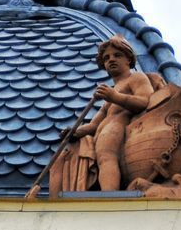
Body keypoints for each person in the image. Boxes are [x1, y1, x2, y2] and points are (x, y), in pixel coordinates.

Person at [54, 35, 154, 192]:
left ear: (128, 59)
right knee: (93, 157)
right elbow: (95, 123)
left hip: (118, 126)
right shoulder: (111, 91)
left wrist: (115, 97)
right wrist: (76, 131)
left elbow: (145, 101)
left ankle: (109, 195)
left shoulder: (136, 78)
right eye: (106, 58)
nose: (111, 60)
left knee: (106, 156)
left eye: (117, 55)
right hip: (104, 129)